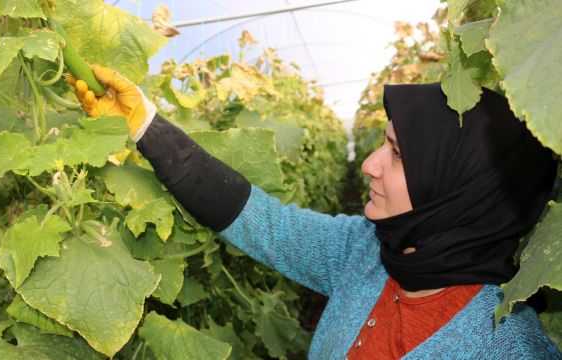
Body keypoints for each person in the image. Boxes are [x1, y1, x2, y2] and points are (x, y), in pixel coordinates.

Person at [68, 65, 562, 359]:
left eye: (398, 154)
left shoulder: (509, 348)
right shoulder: (367, 252)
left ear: (458, 192)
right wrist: (146, 127)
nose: (369, 164)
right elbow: (258, 219)